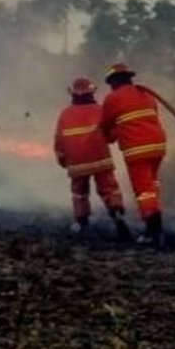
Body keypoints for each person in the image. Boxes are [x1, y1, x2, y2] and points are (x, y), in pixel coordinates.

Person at [98, 63, 168, 247]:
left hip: (137, 149)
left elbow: (105, 125)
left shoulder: (112, 98)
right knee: (152, 184)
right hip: (158, 145)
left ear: (114, 82)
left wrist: (109, 137)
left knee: (143, 191)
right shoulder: (145, 94)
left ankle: (153, 232)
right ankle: (157, 225)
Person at [54, 77, 131, 240]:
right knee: (109, 188)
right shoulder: (100, 110)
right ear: (91, 93)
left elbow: (59, 141)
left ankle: (81, 222)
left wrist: (62, 160)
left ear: (73, 94)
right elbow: (112, 133)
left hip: (76, 162)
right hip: (100, 158)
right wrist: (109, 140)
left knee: (79, 192)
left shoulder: (65, 114)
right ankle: (116, 212)